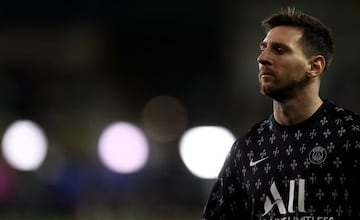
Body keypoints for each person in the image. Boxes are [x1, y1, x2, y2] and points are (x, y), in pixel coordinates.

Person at [202, 7, 360, 220]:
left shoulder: (351, 136)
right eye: (263, 48)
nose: (262, 58)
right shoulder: (247, 148)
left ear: (314, 66)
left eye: (279, 50)